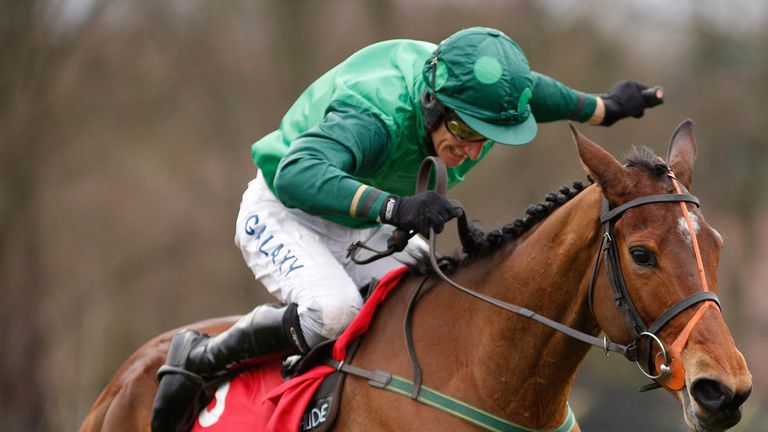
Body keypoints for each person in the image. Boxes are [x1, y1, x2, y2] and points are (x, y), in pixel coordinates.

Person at [151, 26, 660, 430]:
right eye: (463, 130)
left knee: (448, 292)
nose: (472, 150)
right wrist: (395, 209)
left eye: (488, 137)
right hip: (286, 210)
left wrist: (603, 109)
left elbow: (530, 93)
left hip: (362, 218)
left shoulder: (463, 86)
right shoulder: (374, 117)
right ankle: (200, 358)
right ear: (432, 103)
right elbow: (296, 174)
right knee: (332, 312)